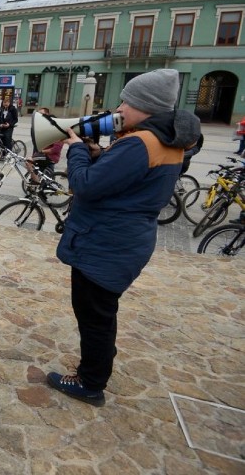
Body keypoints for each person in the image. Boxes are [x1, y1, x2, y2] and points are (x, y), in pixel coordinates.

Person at [47, 69, 201, 407]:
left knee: (94, 316)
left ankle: (90, 382)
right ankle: (97, 366)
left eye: (127, 101)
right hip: (124, 240)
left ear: (144, 105)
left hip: (107, 243)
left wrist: (76, 149)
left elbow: (85, 186)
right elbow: (130, 179)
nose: (121, 107)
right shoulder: (167, 139)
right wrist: (102, 156)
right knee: (100, 312)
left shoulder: (139, 142)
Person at [26, 107, 64, 183]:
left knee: (29, 161)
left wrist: (42, 151)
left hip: (49, 156)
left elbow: (55, 149)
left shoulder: (57, 133)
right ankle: (41, 180)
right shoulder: (47, 129)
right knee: (40, 166)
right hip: (44, 154)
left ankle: (36, 181)